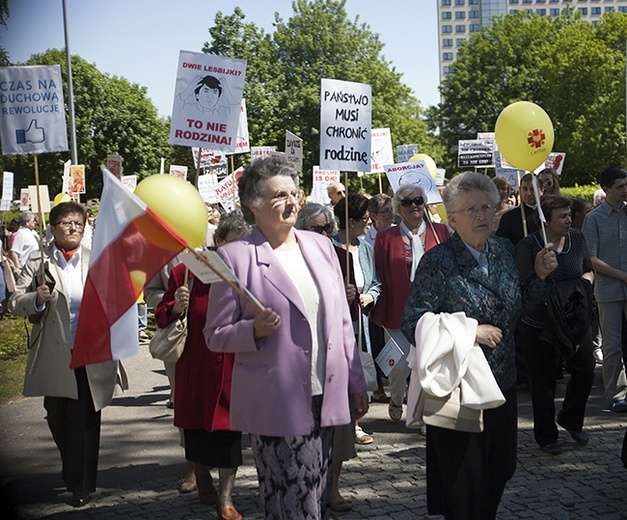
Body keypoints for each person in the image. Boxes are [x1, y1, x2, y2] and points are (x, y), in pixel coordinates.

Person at [204, 156, 368, 519]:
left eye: (294, 192)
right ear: (253, 204)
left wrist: (356, 382)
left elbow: (341, 321)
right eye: (279, 195)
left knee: (317, 493)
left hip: (325, 393)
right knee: (295, 496)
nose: (291, 201)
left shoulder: (321, 246)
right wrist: (253, 330)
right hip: (275, 400)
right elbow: (215, 335)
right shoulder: (233, 258)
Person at [400, 171, 557, 520]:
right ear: (452, 218)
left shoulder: (502, 250)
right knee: (463, 481)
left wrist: (540, 278)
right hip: (459, 388)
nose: (482, 215)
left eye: (487, 206)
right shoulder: (438, 262)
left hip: (500, 382)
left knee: (500, 469)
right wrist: (470, 331)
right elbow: (412, 322)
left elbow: (516, 306)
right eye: (471, 209)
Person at [9, 202, 126, 508]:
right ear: (52, 228)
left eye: (78, 223)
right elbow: (14, 300)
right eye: (66, 223)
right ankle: (70, 464)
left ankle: (82, 484)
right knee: (57, 414)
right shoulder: (38, 260)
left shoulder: (96, 259)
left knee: (86, 417)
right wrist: (36, 299)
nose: (73, 228)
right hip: (55, 349)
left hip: (89, 349)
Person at [155, 212, 250, 520]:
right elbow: (161, 314)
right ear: (218, 242)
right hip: (195, 365)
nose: (237, 252)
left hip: (231, 368)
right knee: (196, 431)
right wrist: (175, 305)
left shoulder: (247, 274)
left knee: (228, 435)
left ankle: (226, 497)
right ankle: (203, 479)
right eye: (231, 245)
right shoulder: (187, 271)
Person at [516, 195, 595, 454]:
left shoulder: (577, 238)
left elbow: (588, 269)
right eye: (562, 216)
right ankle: (547, 436)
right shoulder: (530, 244)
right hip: (540, 322)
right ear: (545, 220)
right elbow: (524, 285)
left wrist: (582, 288)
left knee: (585, 369)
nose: (568, 220)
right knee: (543, 382)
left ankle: (571, 419)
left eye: (569, 214)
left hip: (573, 318)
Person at [295, 203, 359, 513]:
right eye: (316, 229)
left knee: (340, 431)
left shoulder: (341, 256)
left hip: (337, 356)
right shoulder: (291, 260)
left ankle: (332, 488)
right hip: (305, 360)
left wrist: (351, 297)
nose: (323, 234)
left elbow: (353, 313)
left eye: (327, 229)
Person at [372, 183, 450, 421]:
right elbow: (380, 275)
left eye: (418, 201)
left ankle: (426, 413)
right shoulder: (386, 237)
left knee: (430, 363)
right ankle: (397, 396)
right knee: (399, 366)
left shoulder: (441, 232)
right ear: (398, 207)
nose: (414, 206)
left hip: (434, 310)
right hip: (398, 310)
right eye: (407, 202)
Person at [582, 167, 627, 413]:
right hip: (609, 290)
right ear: (606, 189)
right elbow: (592, 258)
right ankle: (617, 394)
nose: (625, 190)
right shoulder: (595, 218)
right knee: (612, 345)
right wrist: (622, 276)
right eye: (620, 186)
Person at [495, 173, 542, 246]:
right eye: (525, 189)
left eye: (532, 189)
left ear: (541, 190)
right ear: (520, 190)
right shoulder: (509, 217)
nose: (528, 193)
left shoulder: (548, 213)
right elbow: (501, 245)